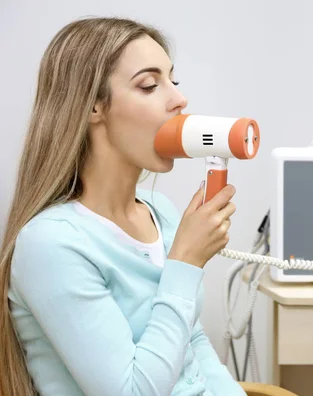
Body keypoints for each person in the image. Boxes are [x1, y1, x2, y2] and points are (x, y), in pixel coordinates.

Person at [0, 17, 246, 396]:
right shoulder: (51, 245)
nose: (179, 99)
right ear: (92, 108)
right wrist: (186, 262)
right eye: (149, 85)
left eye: (172, 81)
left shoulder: (159, 211)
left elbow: (192, 347)